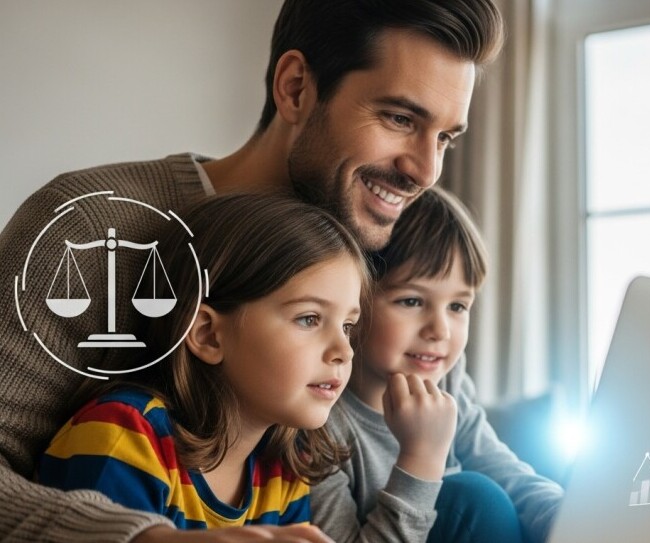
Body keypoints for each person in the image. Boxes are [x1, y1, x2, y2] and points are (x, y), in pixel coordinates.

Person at [0, 1, 504, 541]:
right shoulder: (92, 229)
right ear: (294, 88)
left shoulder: (395, 251)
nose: (427, 172)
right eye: (400, 119)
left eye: (447, 138)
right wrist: (150, 538)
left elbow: (485, 456)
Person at [39, 194, 366, 531]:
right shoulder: (125, 436)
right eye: (309, 319)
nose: (344, 350)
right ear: (209, 335)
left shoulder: (284, 471)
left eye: (347, 326)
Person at [312, 188, 564, 543]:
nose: (439, 330)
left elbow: (502, 469)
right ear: (353, 303)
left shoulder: (447, 381)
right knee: (475, 499)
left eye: (458, 307)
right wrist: (421, 457)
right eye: (412, 301)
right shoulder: (318, 421)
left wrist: (569, 515)